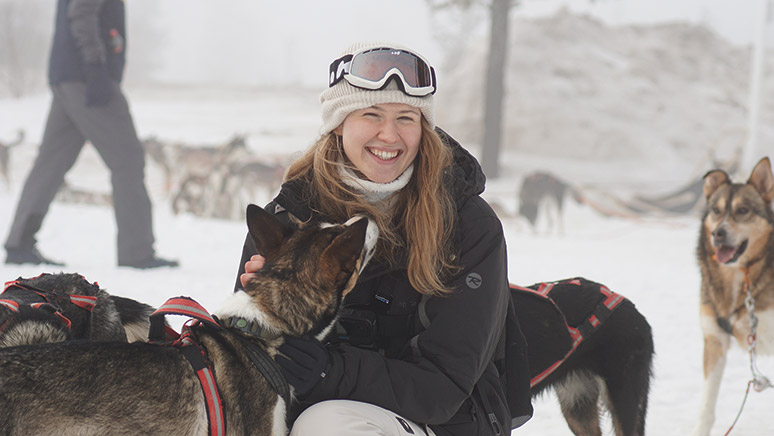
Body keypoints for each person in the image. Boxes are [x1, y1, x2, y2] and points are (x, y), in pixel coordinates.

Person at [235, 42, 531, 436]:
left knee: (326, 426)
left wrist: (328, 369)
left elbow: (443, 388)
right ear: (338, 123)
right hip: (315, 409)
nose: (389, 135)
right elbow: (249, 366)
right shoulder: (289, 218)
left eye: (406, 118)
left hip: (447, 422)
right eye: (371, 114)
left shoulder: (467, 226)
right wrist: (259, 312)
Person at [4, 0, 177, 269]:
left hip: (68, 75)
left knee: (50, 163)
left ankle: (20, 242)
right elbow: (82, 12)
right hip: (87, 77)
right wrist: (96, 66)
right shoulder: (91, 70)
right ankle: (137, 251)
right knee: (128, 159)